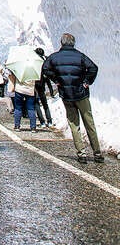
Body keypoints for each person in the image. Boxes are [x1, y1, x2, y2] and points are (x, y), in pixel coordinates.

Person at [42, 33, 102, 163]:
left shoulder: (54, 57)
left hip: (66, 94)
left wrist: (56, 79)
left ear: (62, 43)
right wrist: (86, 81)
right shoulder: (80, 56)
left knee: (74, 124)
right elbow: (93, 68)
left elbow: (45, 69)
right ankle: (97, 153)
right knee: (89, 123)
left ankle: (81, 154)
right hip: (81, 94)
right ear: (73, 43)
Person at [33, 48, 55, 128]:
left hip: (35, 84)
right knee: (45, 103)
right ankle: (49, 121)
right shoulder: (45, 60)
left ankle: (42, 122)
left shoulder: (34, 61)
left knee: (36, 103)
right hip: (43, 83)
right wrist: (51, 90)